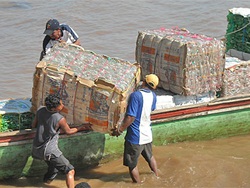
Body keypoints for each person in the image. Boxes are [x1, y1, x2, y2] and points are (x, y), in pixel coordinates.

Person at [32, 93, 91, 188]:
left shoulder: (40, 110)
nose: (63, 105)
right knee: (70, 170)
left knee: (54, 169)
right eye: (61, 104)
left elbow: (33, 125)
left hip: (37, 148)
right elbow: (69, 131)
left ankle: (44, 184)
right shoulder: (59, 118)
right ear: (54, 108)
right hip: (50, 150)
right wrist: (81, 127)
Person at [111, 74, 159, 183]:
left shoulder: (135, 95)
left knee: (132, 164)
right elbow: (151, 109)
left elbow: (130, 117)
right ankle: (157, 177)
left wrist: (120, 130)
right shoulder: (153, 96)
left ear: (144, 82)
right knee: (150, 157)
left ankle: (137, 184)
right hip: (147, 134)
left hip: (135, 137)